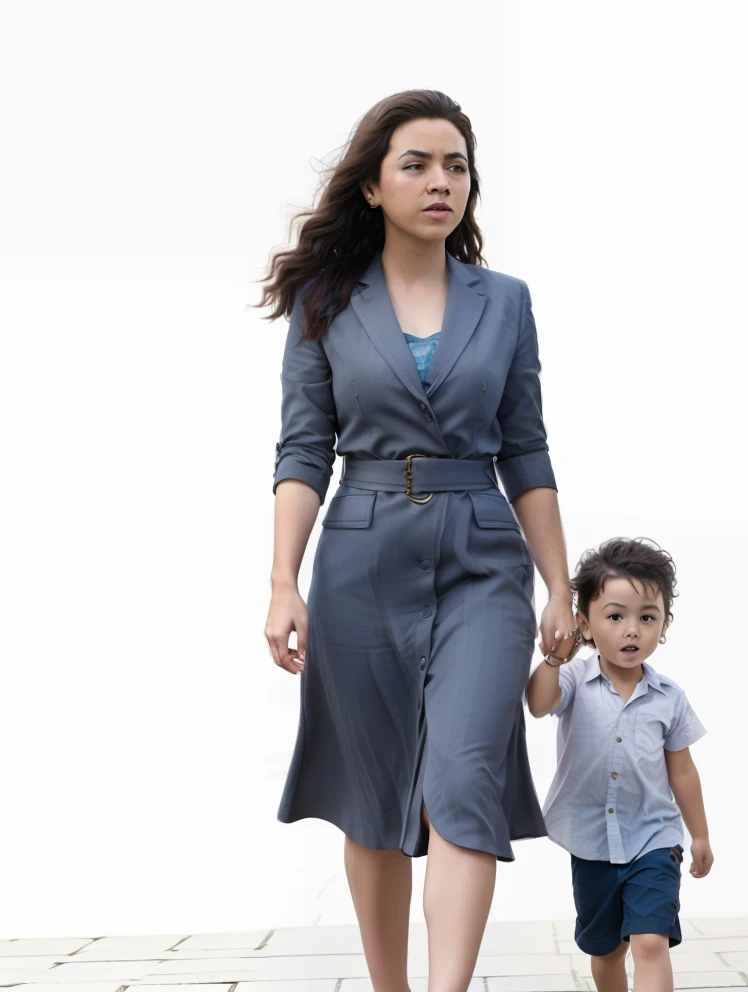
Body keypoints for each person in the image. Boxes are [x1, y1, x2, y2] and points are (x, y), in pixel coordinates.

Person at [255, 89, 580, 992]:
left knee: (465, 776)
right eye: (417, 164)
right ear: (372, 187)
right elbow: (301, 448)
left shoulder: (506, 302)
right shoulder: (324, 302)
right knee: (372, 796)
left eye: (457, 166)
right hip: (359, 557)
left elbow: (527, 447)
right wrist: (284, 582)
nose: (442, 182)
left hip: (484, 557)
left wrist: (560, 584)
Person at [526, 538, 713, 992]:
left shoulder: (670, 698)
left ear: (664, 625)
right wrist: (553, 657)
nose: (633, 630)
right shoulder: (572, 679)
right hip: (590, 842)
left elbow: (682, 771)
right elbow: (538, 702)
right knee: (606, 951)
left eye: (647, 617)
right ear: (585, 625)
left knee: (651, 940)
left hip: (655, 837)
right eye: (615, 616)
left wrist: (700, 834)